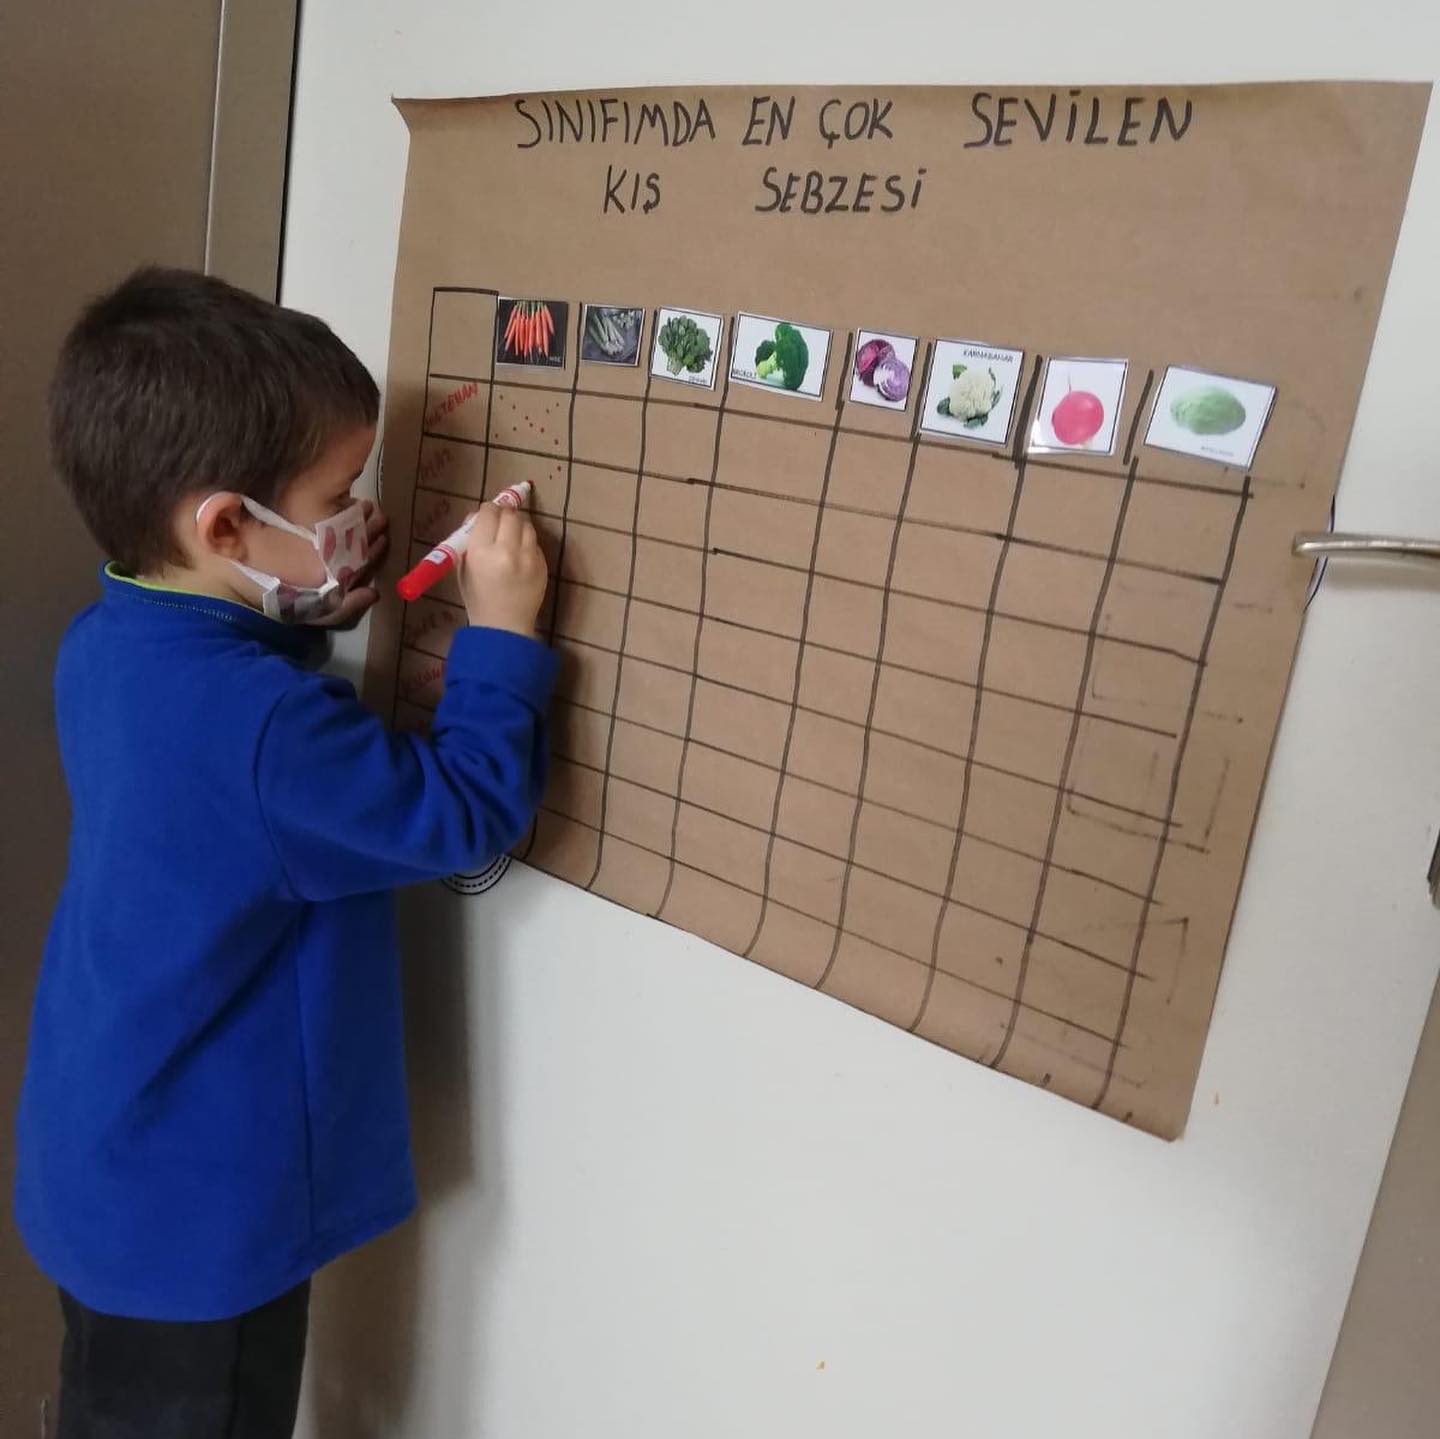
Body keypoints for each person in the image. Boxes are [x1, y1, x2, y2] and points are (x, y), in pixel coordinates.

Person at [12, 267, 556, 1438]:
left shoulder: (106, 639)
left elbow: (224, 737)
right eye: (338, 493)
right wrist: (504, 630)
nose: (359, 513)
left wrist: (307, 604)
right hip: (201, 1223)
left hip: (106, 1163)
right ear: (224, 526)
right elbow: (463, 809)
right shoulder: (266, 730)